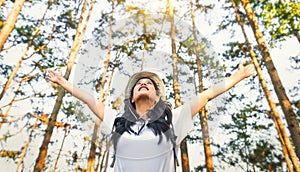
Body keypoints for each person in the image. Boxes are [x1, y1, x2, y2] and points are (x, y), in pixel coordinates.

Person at [46, 63, 254, 172]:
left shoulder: (174, 120)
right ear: (132, 97)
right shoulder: (116, 120)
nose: (143, 83)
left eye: (150, 84)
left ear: (157, 98)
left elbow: (207, 95)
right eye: (139, 83)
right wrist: (63, 83)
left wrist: (238, 76)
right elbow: (89, 100)